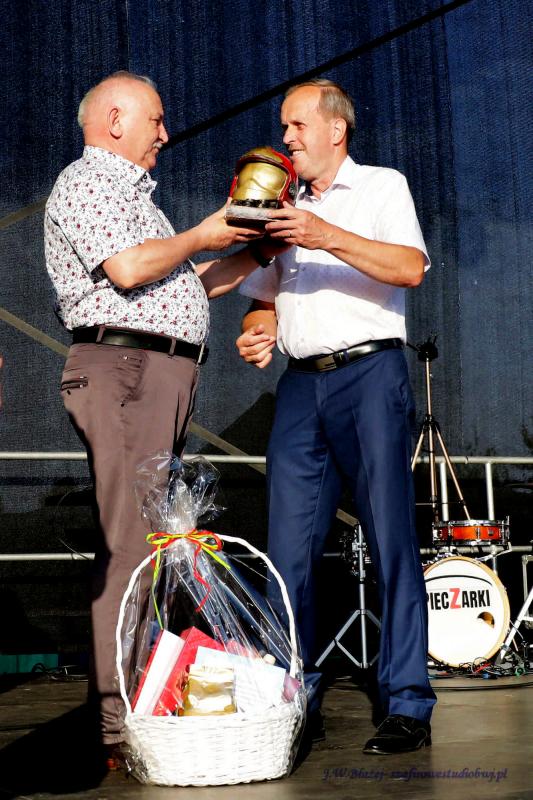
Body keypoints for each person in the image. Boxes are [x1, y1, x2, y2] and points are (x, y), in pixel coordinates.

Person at [44, 71, 265, 764]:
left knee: (151, 544)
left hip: (156, 371)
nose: (166, 134)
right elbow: (132, 269)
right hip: (127, 370)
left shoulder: (138, 201)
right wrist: (203, 233)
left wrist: (258, 251)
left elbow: (184, 285)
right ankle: (118, 726)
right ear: (115, 120)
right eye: (157, 120)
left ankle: (139, 703)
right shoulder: (87, 182)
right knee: (133, 545)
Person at [236, 79, 437, 755]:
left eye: (296, 125)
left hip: (369, 376)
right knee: (286, 552)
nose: (286, 138)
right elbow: (261, 298)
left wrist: (324, 234)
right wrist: (258, 328)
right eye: (283, 127)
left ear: (334, 130)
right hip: (300, 387)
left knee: (390, 540)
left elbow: (408, 268)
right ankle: (292, 703)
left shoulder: (382, 186)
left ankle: (406, 701)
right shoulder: (281, 206)